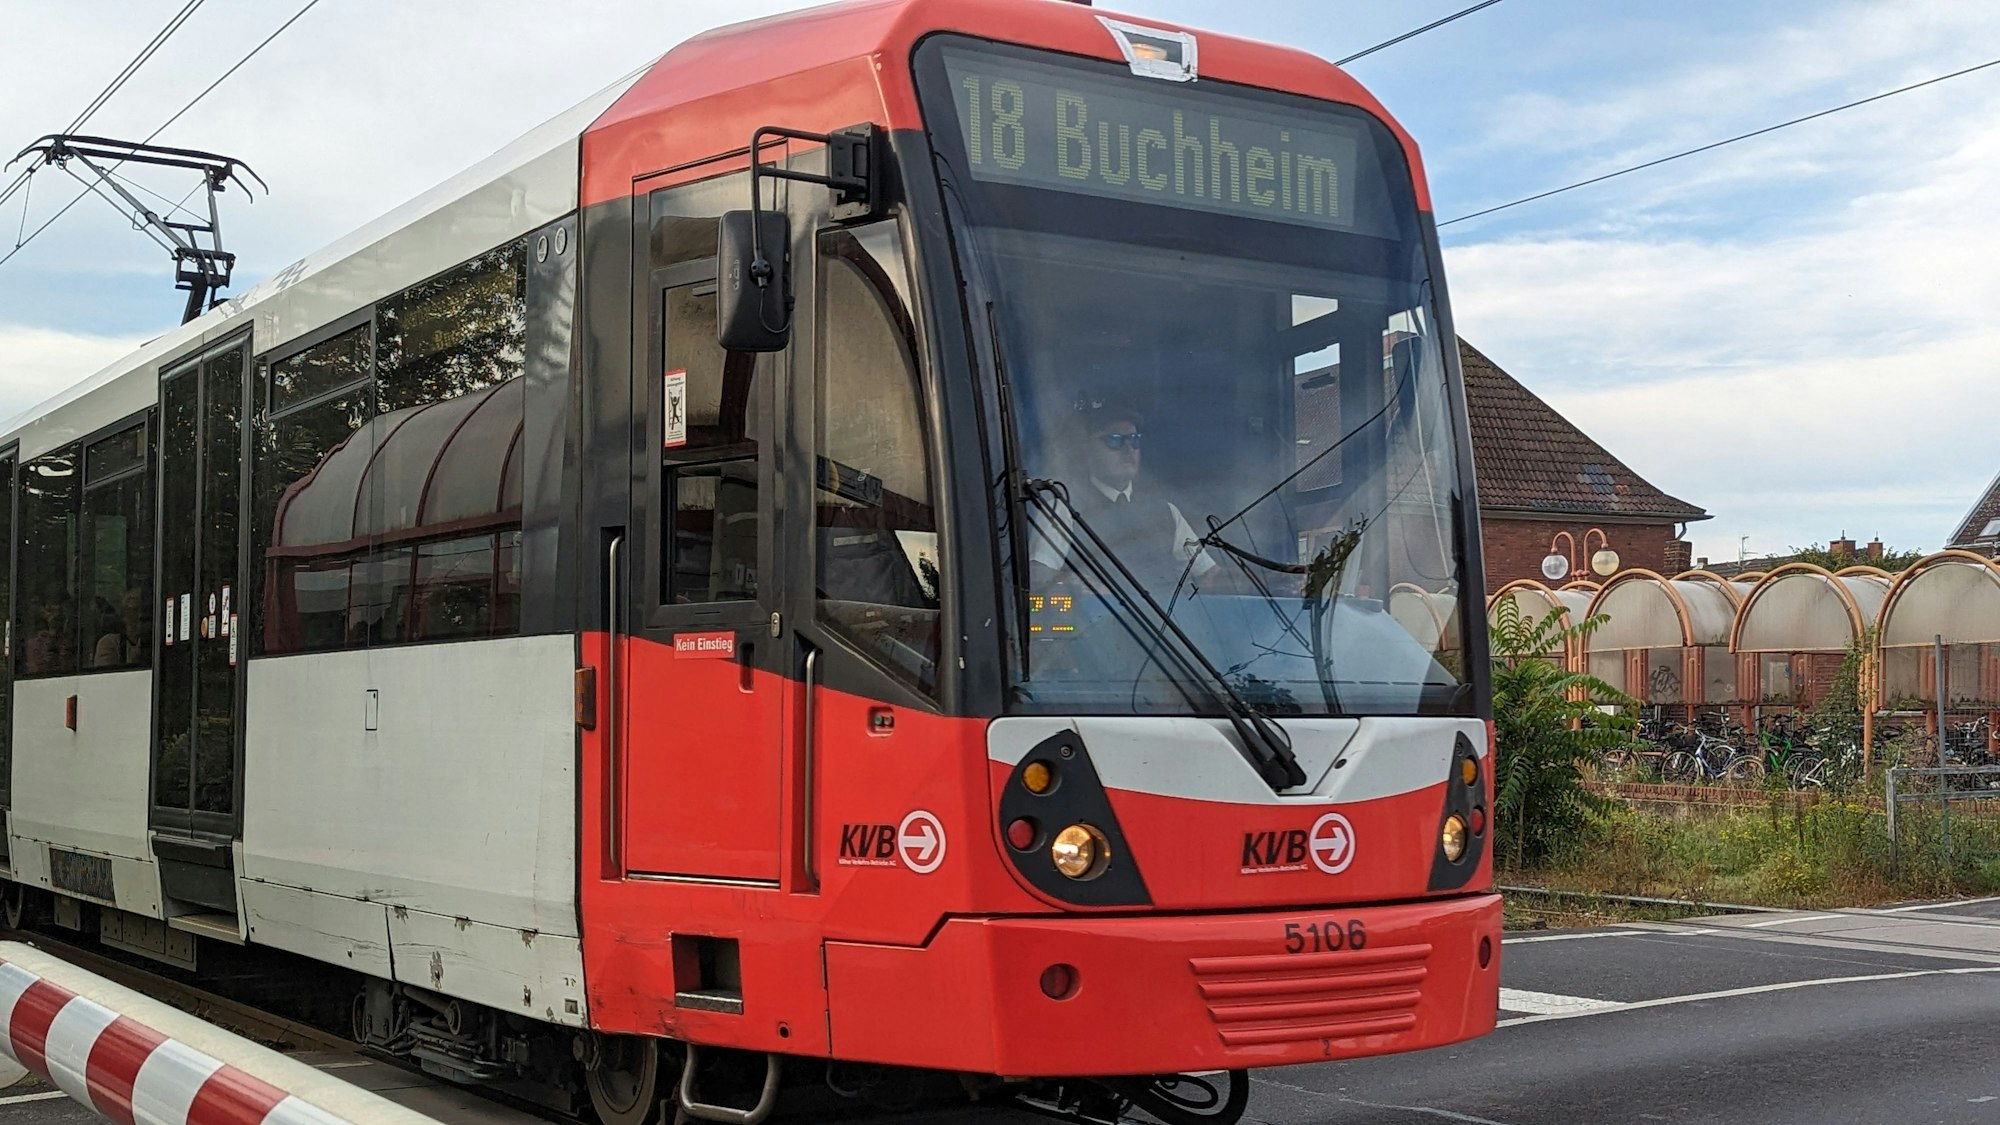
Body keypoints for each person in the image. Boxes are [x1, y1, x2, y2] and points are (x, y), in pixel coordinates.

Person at [1029, 398, 1216, 592]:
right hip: (1096, 620)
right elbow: (1037, 572)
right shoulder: (1063, 507)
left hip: (1161, 622)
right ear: (1087, 449)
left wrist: (1247, 577)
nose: (1129, 449)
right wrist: (1072, 580)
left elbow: (1209, 576)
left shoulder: (1166, 512)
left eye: (1135, 440)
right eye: (1115, 440)